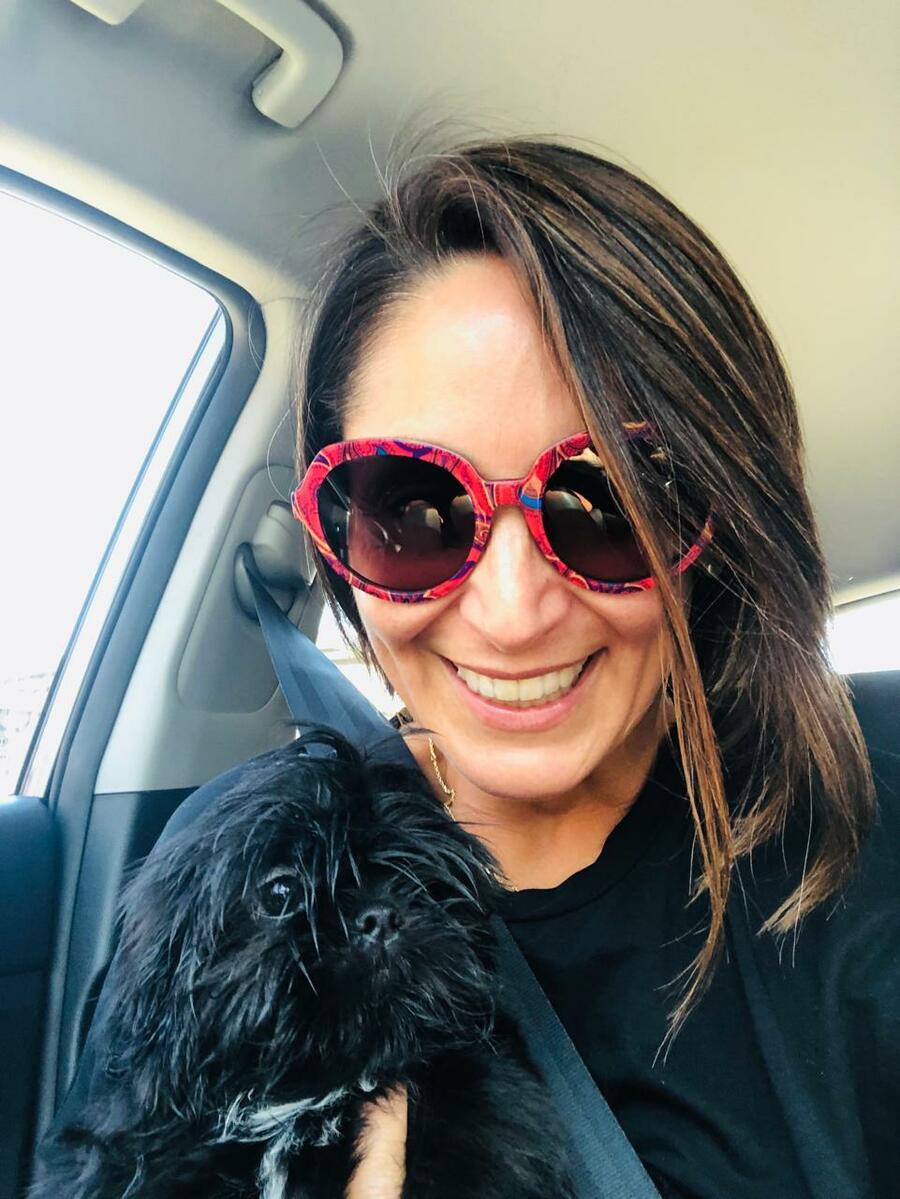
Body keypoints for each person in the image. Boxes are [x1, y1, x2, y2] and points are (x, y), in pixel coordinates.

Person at [41, 136, 898, 1199]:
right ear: (337, 538)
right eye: (412, 507)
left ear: (719, 527)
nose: (511, 613)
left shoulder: (866, 839)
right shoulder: (231, 854)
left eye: (611, 501)